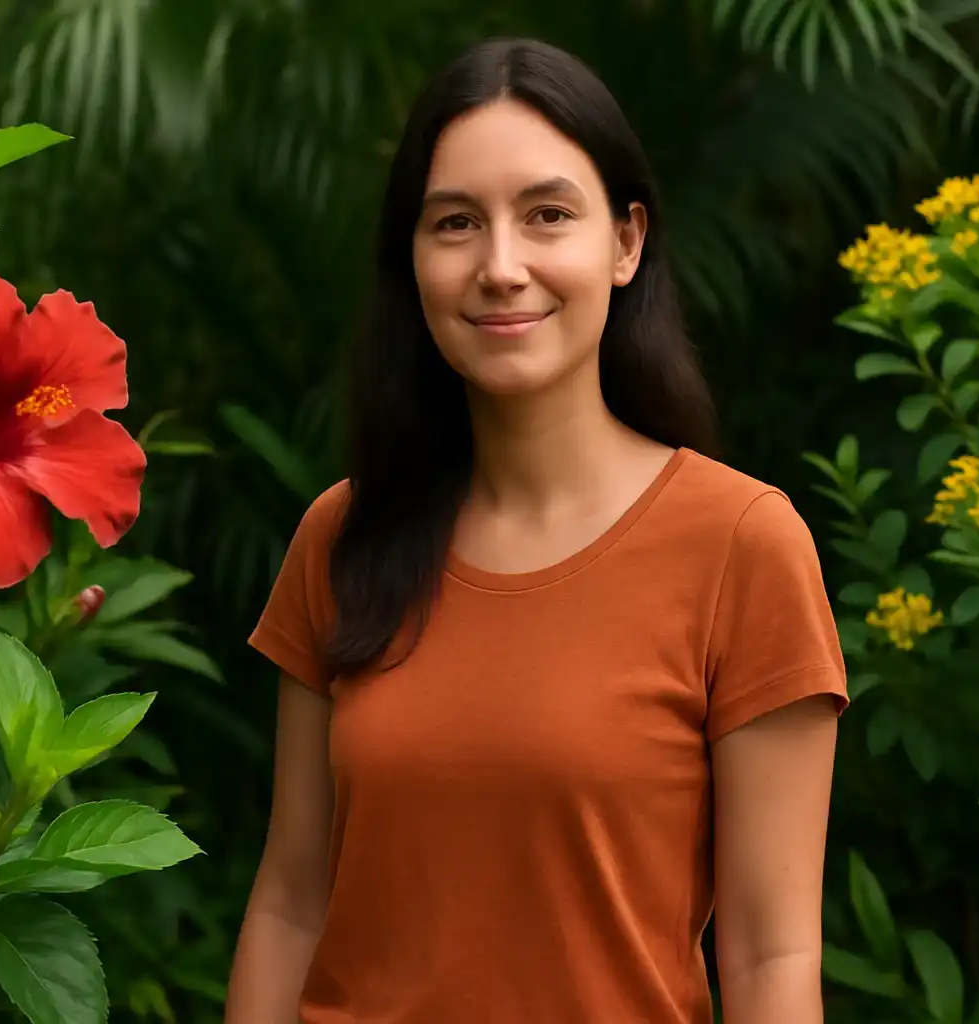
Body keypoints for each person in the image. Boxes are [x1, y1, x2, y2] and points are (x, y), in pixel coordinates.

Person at [226, 36, 847, 1024]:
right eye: (456, 223)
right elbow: (291, 900)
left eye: (548, 215)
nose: (501, 267)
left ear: (626, 241)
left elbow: (772, 954)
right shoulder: (343, 535)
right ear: (414, 260)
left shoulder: (741, 545)